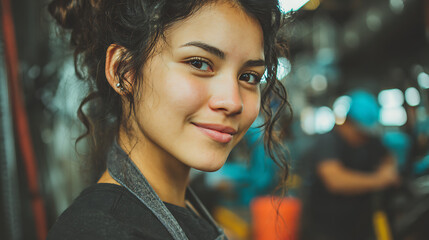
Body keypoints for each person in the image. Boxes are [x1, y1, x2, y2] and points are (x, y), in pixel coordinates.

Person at [46, 0, 291, 239]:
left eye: (249, 77)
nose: (233, 102)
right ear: (124, 70)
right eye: (199, 63)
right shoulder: (97, 231)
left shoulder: (186, 207)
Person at [299, 90, 400, 240]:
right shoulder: (328, 141)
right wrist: (380, 180)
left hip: (361, 226)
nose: (363, 138)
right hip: (327, 229)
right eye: (360, 132)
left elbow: (388, 158)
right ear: (347, 122)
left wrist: (388, 168)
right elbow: (335, 180)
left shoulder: (370, 141)